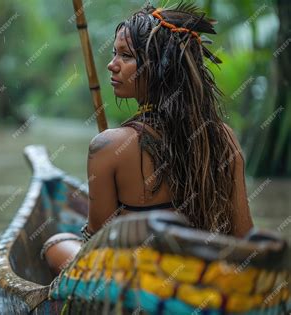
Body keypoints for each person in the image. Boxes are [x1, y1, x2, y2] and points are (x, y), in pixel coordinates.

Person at [41, 2, 254, 275]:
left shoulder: (108, 147)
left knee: (55, 244)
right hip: (202, 275)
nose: (111, 65)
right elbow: (243, 236)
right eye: (114, 54)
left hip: (139, 279)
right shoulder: (224, 137)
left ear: (159, 69)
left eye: (125, 56)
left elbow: (97, 246)